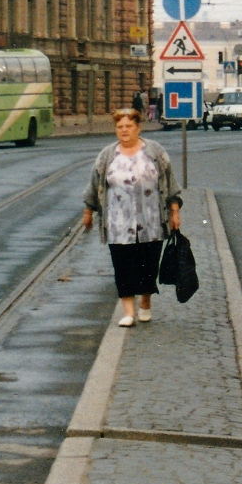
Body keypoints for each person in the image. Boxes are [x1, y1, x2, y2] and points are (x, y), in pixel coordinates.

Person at [82, 107, 182, 327]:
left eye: (128, 126)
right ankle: (128, 312)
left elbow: (171, 185)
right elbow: (94, 184)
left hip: (151, 222)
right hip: (117, 223)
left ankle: (145, 303)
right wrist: (88, 211)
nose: (124, 130)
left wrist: (174, 212)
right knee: (123, 266)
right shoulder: (108, 155)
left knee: (148, 265)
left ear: (138, 127)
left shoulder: (155, 152)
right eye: (120, 127)